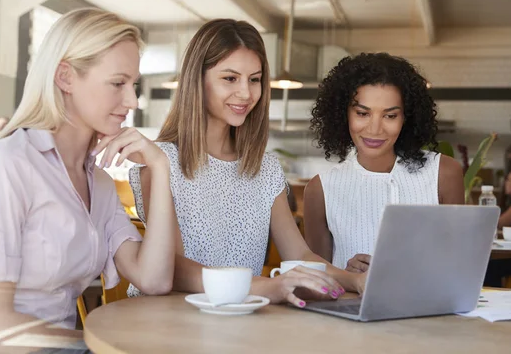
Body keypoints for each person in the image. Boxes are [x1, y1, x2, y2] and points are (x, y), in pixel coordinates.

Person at [0, 8, 177, 340]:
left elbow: (155, 280)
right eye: (118, 83)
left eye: (133, 85)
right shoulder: (7, 166)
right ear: (65, 77)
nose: (132, 100)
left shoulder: (98, 182)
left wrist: (160, 168)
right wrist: (97, 347)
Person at [127, 19, 366, 307]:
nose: (246, 93)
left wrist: (355, 281)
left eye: (254, 79)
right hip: (168, 321)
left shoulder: (264, 169)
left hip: (238, 321)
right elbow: (173, 270)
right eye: (230, 78)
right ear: (196, 81)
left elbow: (299, 255)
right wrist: (268, 287)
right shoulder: (161, 162)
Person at [303, 53, 464, 274]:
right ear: (343, 114)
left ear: (406, 118)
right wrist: (345, 276)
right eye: (362, 113)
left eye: (390, 116)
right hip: (351, 307)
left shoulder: (443, 174)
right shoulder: (320, 189)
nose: (375, 129)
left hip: (428, 308)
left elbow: (459, 268)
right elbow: (316, 282)